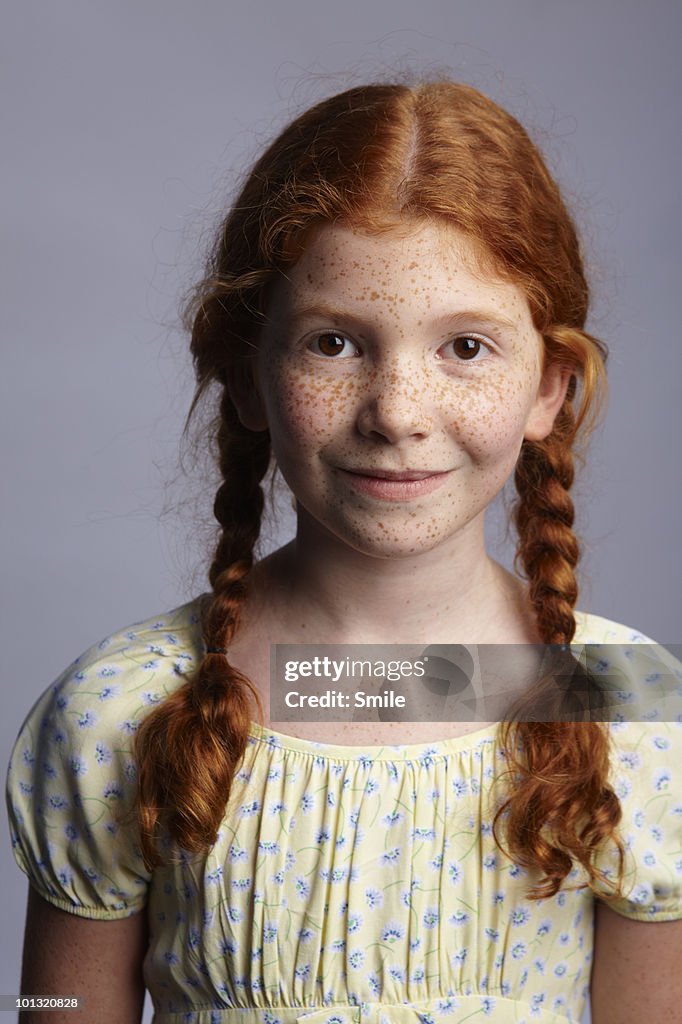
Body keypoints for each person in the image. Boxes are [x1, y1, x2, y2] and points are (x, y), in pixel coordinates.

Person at [6, 80, 682, 1024]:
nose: (397, 412)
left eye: (467, 348)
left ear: (549, 389)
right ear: (247, 374)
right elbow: (52, 1004)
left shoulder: (629, 714)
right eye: (333, 343)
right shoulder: (125, 709)